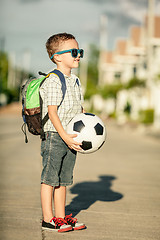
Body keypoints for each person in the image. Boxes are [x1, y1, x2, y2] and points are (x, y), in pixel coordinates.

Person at [40, 33, 86, 233]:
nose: (78, 56)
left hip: (70, 136)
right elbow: (52, 112)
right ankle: (48, 218)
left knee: (64, 179)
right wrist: (64, 136)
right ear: (57, 56)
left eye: (80, 52)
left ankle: (60, 216)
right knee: (50, 178)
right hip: (55, 136)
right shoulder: (53, 80)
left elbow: (79, 109)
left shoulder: (75, 80)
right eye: (74, 52)